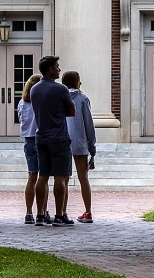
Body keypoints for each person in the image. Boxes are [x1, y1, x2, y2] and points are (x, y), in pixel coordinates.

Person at [29, 55, 76, 227]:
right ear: (50, 69)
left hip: (40, 137)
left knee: (42, 176)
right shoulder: (61, 89)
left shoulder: (34, 89)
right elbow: (72, 111)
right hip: (59, 137)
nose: (59, 69)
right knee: (60, 176)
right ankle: (59, 215)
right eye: (57, 66)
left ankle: (40, 214)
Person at [62, 70, 97, 224]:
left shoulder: (59, 98)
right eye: (79, 80)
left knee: (64, 179)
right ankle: (88, 212)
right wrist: (92, 146)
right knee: (83, 179)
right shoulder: (83, 99)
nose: (81, 83)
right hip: (80, 141)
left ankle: (62, 211)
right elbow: (89, 124)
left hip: (62, 141)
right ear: (76, 81)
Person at [17, 73, 48, 225]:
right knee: (44, 177)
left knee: (32, 177)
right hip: (42, 139)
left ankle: (28, 212)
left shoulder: (22, 103)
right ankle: (42, 212)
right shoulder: (41, 102)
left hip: (28, 140)